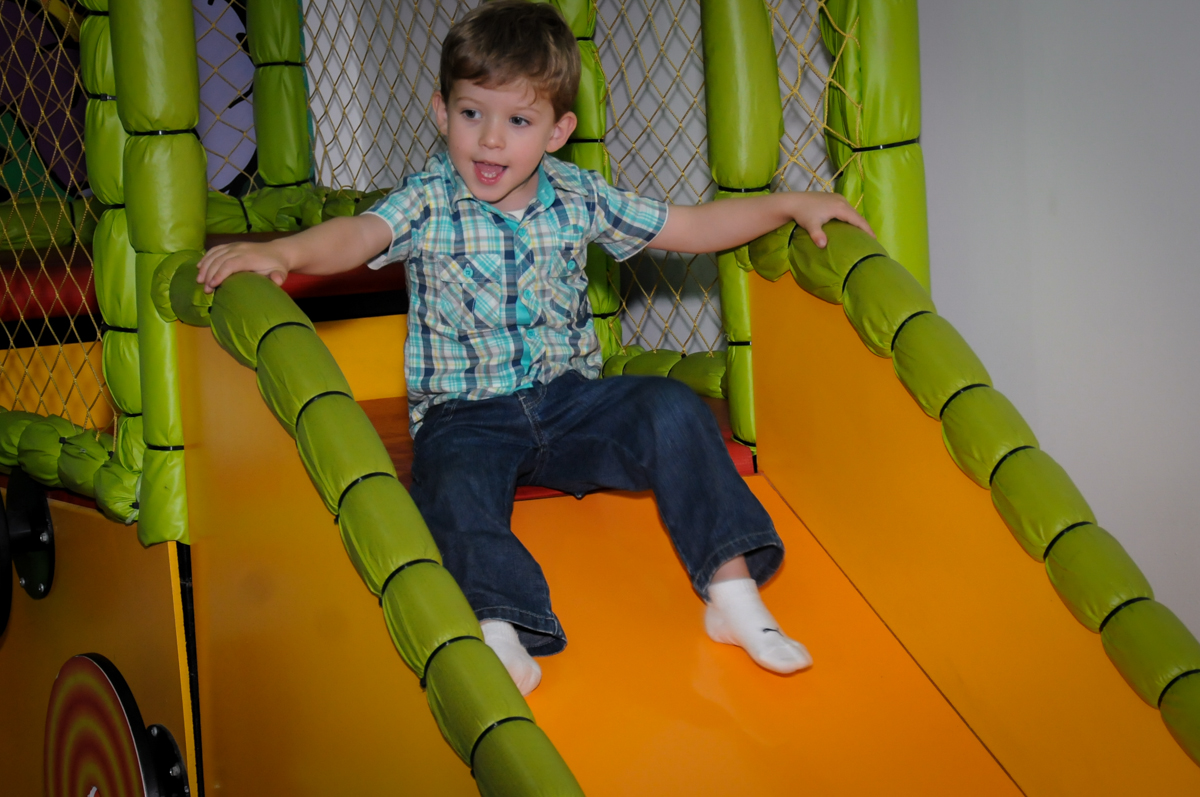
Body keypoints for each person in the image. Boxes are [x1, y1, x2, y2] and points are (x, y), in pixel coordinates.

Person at [196, 0, 873, 696]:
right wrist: (282, 251)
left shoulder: (578, 197)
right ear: (441, 112)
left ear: (557, 132)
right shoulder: (429, 200)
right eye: (471, 114)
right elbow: (356, 235)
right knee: (450, 484)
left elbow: (693, 226)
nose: (490, 141)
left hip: (569, 402)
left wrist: (790, 204)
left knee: (673, 406)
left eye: (518, 121)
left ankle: (732, 596)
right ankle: (498, 627)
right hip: (467, 415)